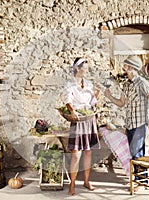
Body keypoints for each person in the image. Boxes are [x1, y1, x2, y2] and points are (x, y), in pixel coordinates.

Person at [104, 55, 149, 188]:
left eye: (126, 66)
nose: (124, 68)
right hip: (130, 124)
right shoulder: (127, 84)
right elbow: (121, 103)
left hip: (140, 124)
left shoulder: (142, 83)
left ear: (133, 68)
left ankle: (142, 181)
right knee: (134, 153)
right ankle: (139, 180)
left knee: (137, 154)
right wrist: (109, 96)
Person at [61, 57, 101, 195]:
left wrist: (98, 93)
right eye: (84, 68)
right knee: (76, 154)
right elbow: (67, 100)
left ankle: (86, 181)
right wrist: (72, 112)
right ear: (77, 69)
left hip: (89, 118)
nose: (86, 71)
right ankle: (72, 184)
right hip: (78, 119)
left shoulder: (88, 84)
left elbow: (92, 102)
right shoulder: (70, 84)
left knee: (88, 152)